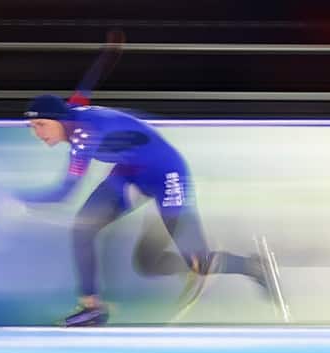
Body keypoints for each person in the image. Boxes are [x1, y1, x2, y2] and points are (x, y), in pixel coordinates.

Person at [15, 93, 269, 326]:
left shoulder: (84, 135)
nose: (37, 133)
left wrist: (15, 199)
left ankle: (252, 266)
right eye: (32, 126)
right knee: (82, 229)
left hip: (166, 173)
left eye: (41, 124)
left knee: (199, 263)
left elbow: (64, 193)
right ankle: (92, 308)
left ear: (60, 119)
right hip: (129, 172)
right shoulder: (73, 116)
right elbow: (75, 107)